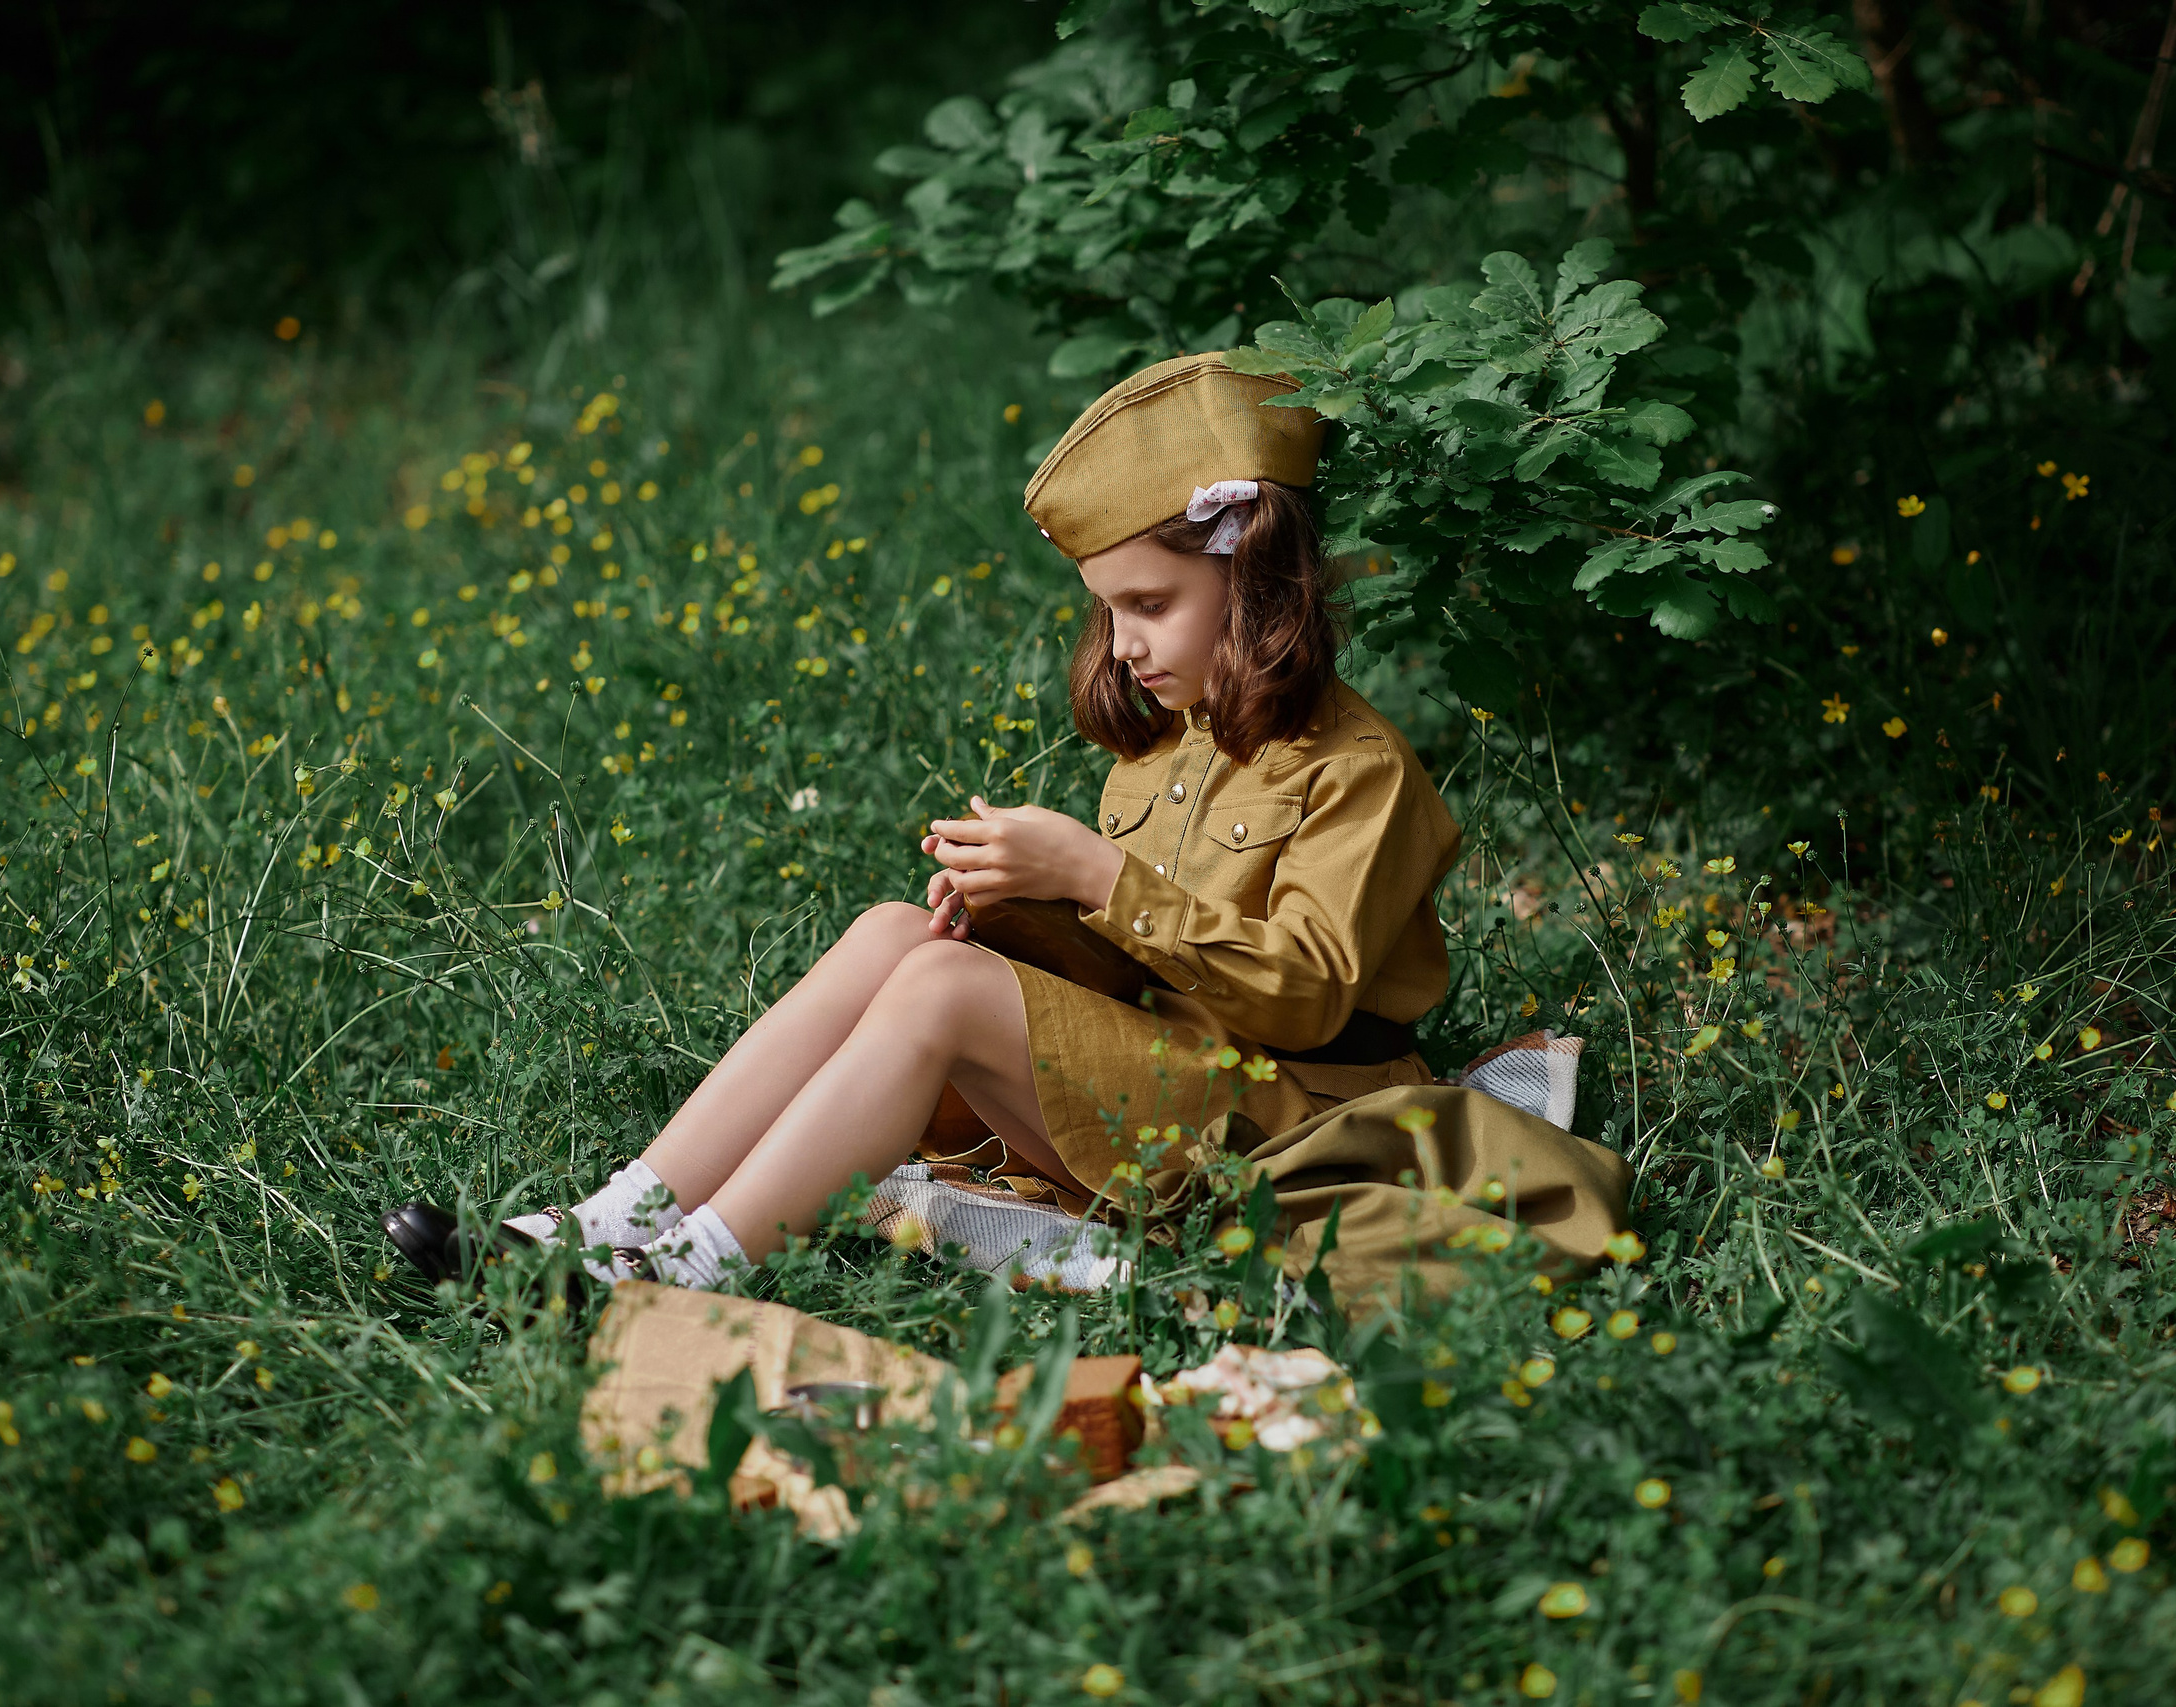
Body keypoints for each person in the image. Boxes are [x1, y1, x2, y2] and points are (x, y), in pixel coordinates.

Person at [383, 355, 1628, 1305]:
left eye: (1151, 605)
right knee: (897, 938)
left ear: (1261, 580)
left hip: (1273, 1124)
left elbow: (1299, 1002)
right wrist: (1031, 916)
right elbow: (1151, 972)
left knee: (938, 998)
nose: (1124, 646)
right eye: (1108, 612)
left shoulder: (1358, 774)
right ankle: (610, 1218)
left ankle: (683, 1274)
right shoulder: (1167, 748)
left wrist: (1096, 875)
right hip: (1170, 1085)